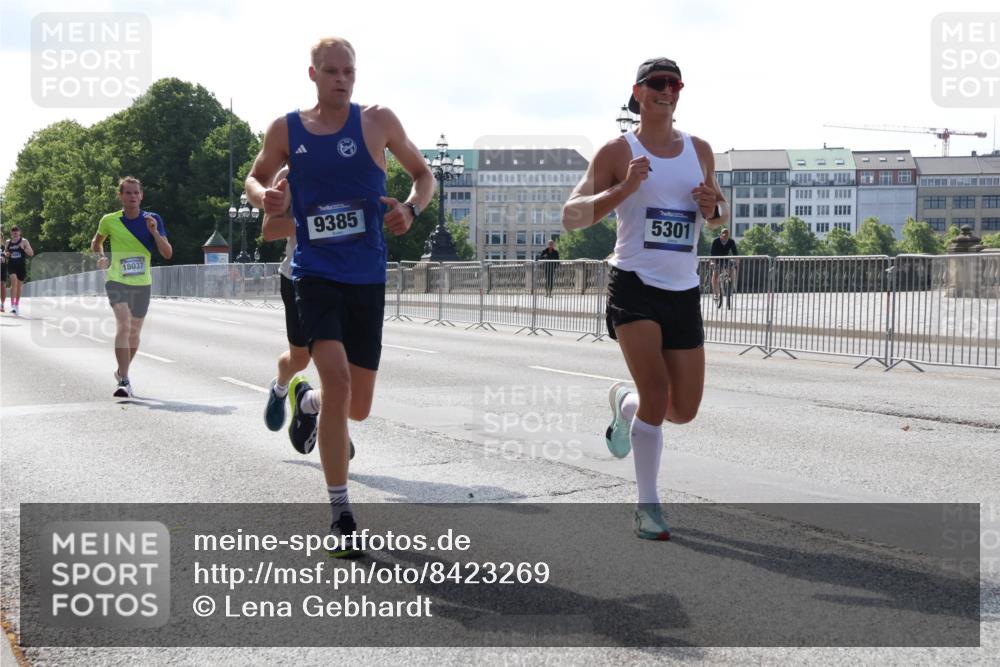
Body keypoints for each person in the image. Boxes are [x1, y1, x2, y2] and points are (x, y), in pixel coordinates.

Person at [245, 36, 433, 557]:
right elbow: (254, 178)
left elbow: (424, 175)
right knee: (338, 378)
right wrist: (267, 196)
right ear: (312, 74)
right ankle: (341, 510)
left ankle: (308, 402)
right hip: (315, 272)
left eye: (348, 70)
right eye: (331, 71)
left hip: (367, 275)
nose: (341, 79)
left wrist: (411, 211)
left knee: (359, 406)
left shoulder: (378, 121)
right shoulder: (287, 129)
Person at [562, 57, 728, 540]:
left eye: (674, 84)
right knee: (658, 392)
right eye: (656, 84)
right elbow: (572, 216)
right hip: (633, 284)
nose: (666, 91)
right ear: (637, 92)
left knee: (683, 410)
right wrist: (623, 188)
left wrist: (715, 208)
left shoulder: (699, 150)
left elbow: (719, 220)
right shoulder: (618, 151)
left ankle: (626, 405)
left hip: (683, 290)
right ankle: (648, 505)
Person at [259, 166, 357, 460]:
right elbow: (269, 230)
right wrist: (313, 222)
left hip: (349, 279)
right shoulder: (291, 175)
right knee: (300, 358)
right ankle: (281, 388)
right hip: (300, 278)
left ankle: (327, 417)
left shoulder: (359, 167)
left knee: (344, 364)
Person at [90, 177, 172, 398]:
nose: (132, 197)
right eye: (128, 193)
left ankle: (121, 371)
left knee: (135, 334)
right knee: (124, 326)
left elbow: (167, 253)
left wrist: (154, 232)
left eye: (136, 193)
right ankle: (125, 381)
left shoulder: (153, 219)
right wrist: (101, 257)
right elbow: (96, 242)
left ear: (141, 196)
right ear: (120, 196)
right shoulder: (109, 220)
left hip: (142, 282)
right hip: (116, 279)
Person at [4, 226, 34, 315]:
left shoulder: (24, 241)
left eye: (16, 231)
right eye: (13, 231)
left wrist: (23, 248)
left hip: (21, 266)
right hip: (12, 265)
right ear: (11, 233)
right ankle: (12, 305)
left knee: (19, 287)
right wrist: (7, 254)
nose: (15, 233)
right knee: (14, 282)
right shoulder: (8, 242)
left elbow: (31, 253)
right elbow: (6, 253)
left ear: (20, 232)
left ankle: (17, 305)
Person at [710, 227, 739, 309]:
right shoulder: (716, 241)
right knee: (715, 276)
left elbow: (735, 253)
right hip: (717, 259)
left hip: (726, 259)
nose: (725, 238)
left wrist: (737, 261)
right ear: (721, 235)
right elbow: (712, 254)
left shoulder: (731, 241)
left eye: (727, 236)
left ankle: (732, 285)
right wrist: (712, 262)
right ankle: (716, 294)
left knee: (732, 269)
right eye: (724, 236)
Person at [1, 229, 8, 312]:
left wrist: (5, 257)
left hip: (3, 267)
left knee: (2, 284)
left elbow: (9, 255)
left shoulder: (5, 247)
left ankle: (2, 304)